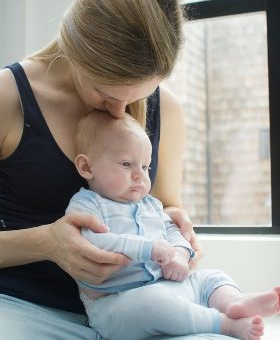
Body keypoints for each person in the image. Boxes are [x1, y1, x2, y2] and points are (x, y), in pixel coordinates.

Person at [0, 0, 212, 339]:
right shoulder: (7, 98)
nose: (120, 113)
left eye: (135, 98)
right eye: (105, 93)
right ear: (76, 48)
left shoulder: (168, 110)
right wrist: (47, 244)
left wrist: (179, 233)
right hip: (23, 309)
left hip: (139, 308)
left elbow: (164, 209)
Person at [65, 110, 280, 340]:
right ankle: (224, 324)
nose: (140, 176)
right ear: (87, 167)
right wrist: (148, 248)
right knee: (155, 304)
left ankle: (234, 302)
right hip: (119, 304)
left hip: (170, 283)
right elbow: (94, 241)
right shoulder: (87, 204)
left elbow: (172, 230)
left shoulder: (150, 204)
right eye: (127, 164)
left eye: (145, 167)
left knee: (211, 278)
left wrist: (179, 254)